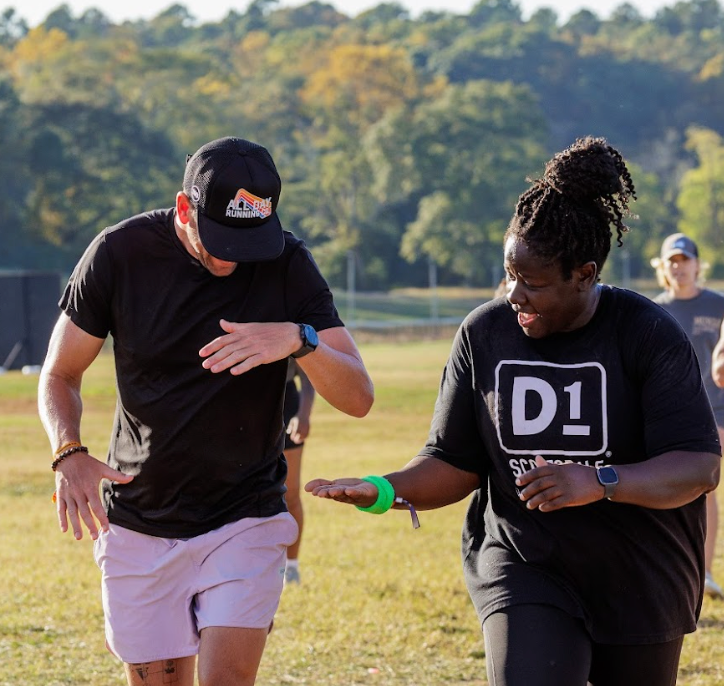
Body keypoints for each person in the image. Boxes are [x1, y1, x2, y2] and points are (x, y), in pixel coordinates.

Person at [306, 137, 721, 686]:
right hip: (526, 563)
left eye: (534, 282)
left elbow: (698, 466)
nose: (516, 295)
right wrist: (384, 489)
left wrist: (600, 480)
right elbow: (455, 460)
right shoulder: (486, 332)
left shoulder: (646, 333)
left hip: (641, 572)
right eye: (509, 276)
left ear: (585, 273)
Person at [38, 136, 374, 686]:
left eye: (249, 240)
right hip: (139, 522)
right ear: (184, 208)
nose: (233, 257)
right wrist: (68, 451)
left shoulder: (287, 262)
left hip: (245, 517)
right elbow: (59, 373)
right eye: (220, 239)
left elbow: (359, 396)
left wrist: (300, 340)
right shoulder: (119, 253)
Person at [652, 233, 724, 600]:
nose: (679, 267)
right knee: (669, 490)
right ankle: (677, 571)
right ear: (663, 268)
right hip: (670, 413)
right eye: (672, 261)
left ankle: (706, 573)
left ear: (699, 265)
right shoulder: (653, 309)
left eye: (685, 260)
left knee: (704, 487)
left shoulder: (718, 305)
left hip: (715, 411)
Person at [282, 358, 316, 585]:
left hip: (285, 403)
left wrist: (303, 414)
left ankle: (291, 567)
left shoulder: (286, 321)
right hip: (239, 404)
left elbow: (307, 376)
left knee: (290, 493)